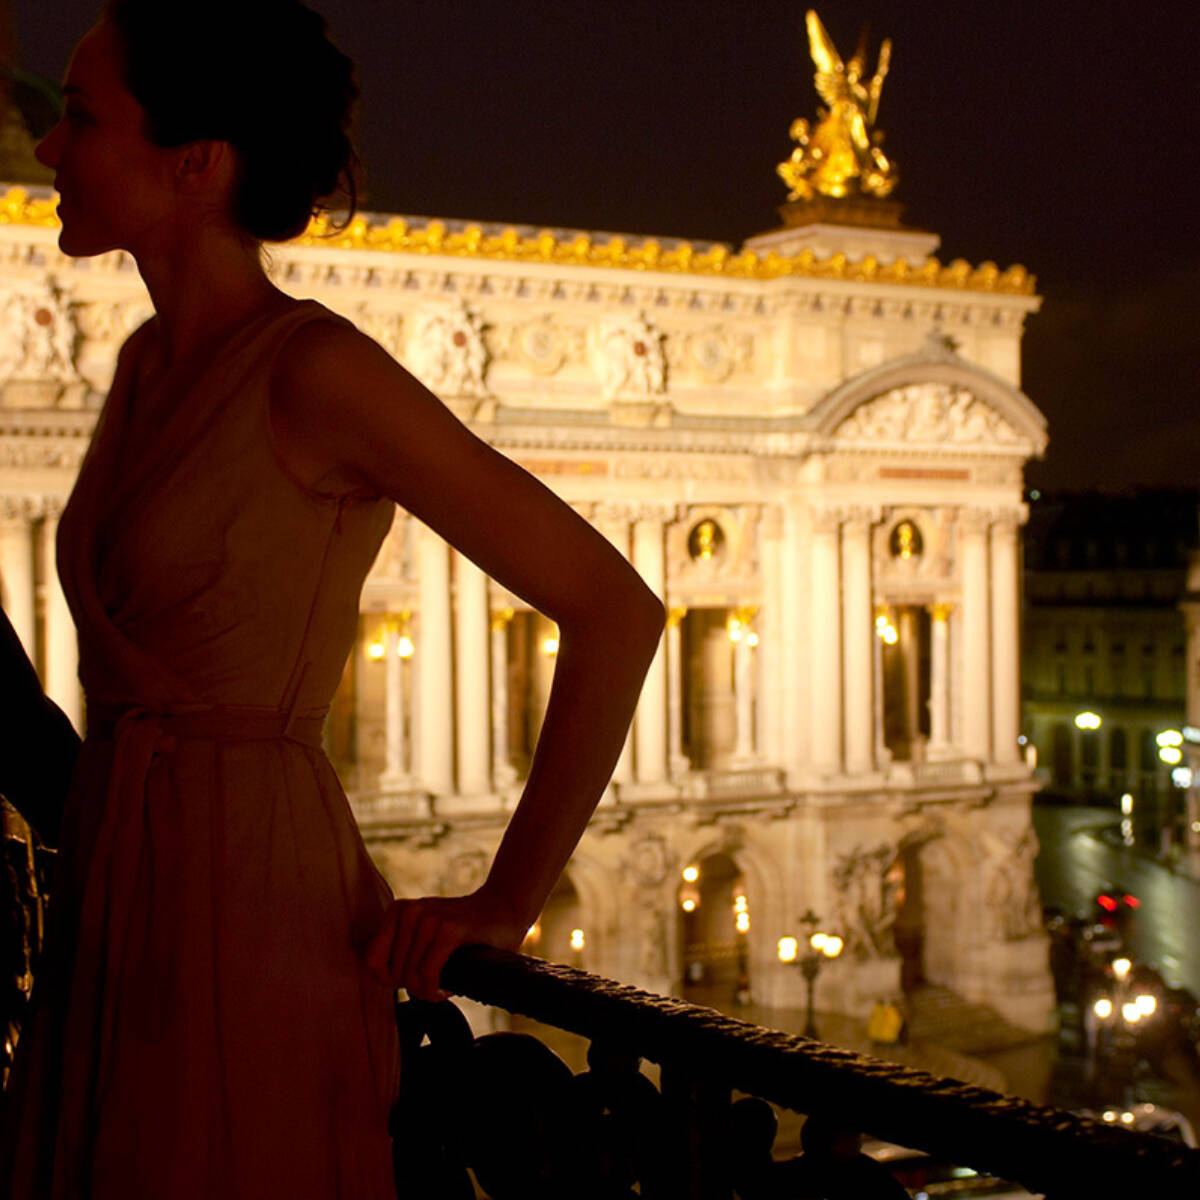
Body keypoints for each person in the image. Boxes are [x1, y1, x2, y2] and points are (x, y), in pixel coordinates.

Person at [0, 2, 663, 1196]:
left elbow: (615, 609)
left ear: (195, 163)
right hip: (110, 885)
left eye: (82, 119)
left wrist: (511, 896)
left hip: (250, 904)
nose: (45, 148)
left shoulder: (316, 369)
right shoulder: (145, 363)